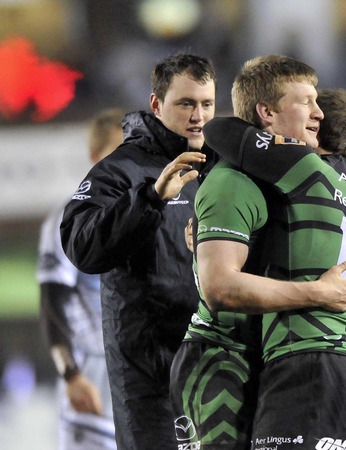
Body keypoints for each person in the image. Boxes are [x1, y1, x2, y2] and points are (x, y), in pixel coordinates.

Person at [169, 87, 346, 449]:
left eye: (316, 107)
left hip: (285, 359)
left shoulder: (300, 178)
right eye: (305, 104)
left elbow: (220, 130)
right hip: (228, 356)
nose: (313, 113)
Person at [60, 53, 218, 450]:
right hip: (149, 383)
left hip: (217, 367)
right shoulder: (120, 171)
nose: (198, 115)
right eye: (186, 104)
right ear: (156, 104)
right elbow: (81, 247)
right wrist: (150, 198)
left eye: (206, 104)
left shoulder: (219, 171)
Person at [39, 108, 124, 450]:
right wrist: (70, 373)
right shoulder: (67, 220)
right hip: (93, 373)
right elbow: (52, 298)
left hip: (146, 374)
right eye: (117, 153)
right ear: (95, 157)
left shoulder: (157, 209)